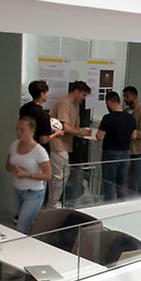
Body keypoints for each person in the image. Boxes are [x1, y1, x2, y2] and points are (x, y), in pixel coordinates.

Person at [49, 81, 92, 209]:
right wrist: (80, 132)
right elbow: (66, 127)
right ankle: (52, 204)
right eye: (83, 95)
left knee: (64, 174)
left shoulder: (76, 105)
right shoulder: (64, 103)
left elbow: (74, 127)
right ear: (76, 91)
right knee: (59, 176)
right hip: (58, 144)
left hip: (67, 145)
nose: (84, 98)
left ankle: (55, 202)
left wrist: (80, 131)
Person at [5, 116, 51, 234]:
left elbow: (48, 175)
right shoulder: (14, 145)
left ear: (31, 131)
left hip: (33, 192)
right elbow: (8, 165)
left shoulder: (39, 151)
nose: (18, 132)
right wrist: (16, 170)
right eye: (17, 129)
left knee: (22, 226)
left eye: (22, 130)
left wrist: (27, 174)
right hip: (17, 190)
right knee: (25, 223)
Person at [95, 90, 137, 200]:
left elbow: (100, 137)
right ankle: (121, 207)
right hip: (126, 153)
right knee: (122, 185)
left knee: (109, 184)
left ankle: (109, 208)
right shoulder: (130, 117)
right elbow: (134, 136)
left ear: (109, 102)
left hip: (110, 153)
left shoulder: (107, 118)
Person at [18, 80, 62, 152]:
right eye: (46, 92)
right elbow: (44, 140)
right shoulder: (43, 115)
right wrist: (56, 133)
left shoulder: (24, 108)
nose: (47, 95)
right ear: (42, 94)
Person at [123, 86, 141, 195]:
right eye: (124, 96)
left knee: (139, 178)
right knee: (129, 179)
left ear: (134, 96)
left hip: (139, 151)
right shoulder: (125, 111)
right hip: (128, 150)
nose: (124, 99)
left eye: (127, 96)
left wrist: (129, 134)